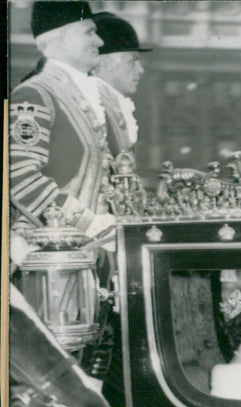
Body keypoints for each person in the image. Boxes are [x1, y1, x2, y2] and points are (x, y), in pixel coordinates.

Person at [9, 1, 111, 266]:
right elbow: (20, 178)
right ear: (62, 39)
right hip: (48, 259)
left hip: (83, 256)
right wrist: (90, 223)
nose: (99, 41)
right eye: (89, 32)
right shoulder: (34, 94)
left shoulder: (77, 95)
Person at [91, 12, 150, 158]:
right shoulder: (92, 106)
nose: (140, 70)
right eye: (132, 61)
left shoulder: (112, 105)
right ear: (107, 62)